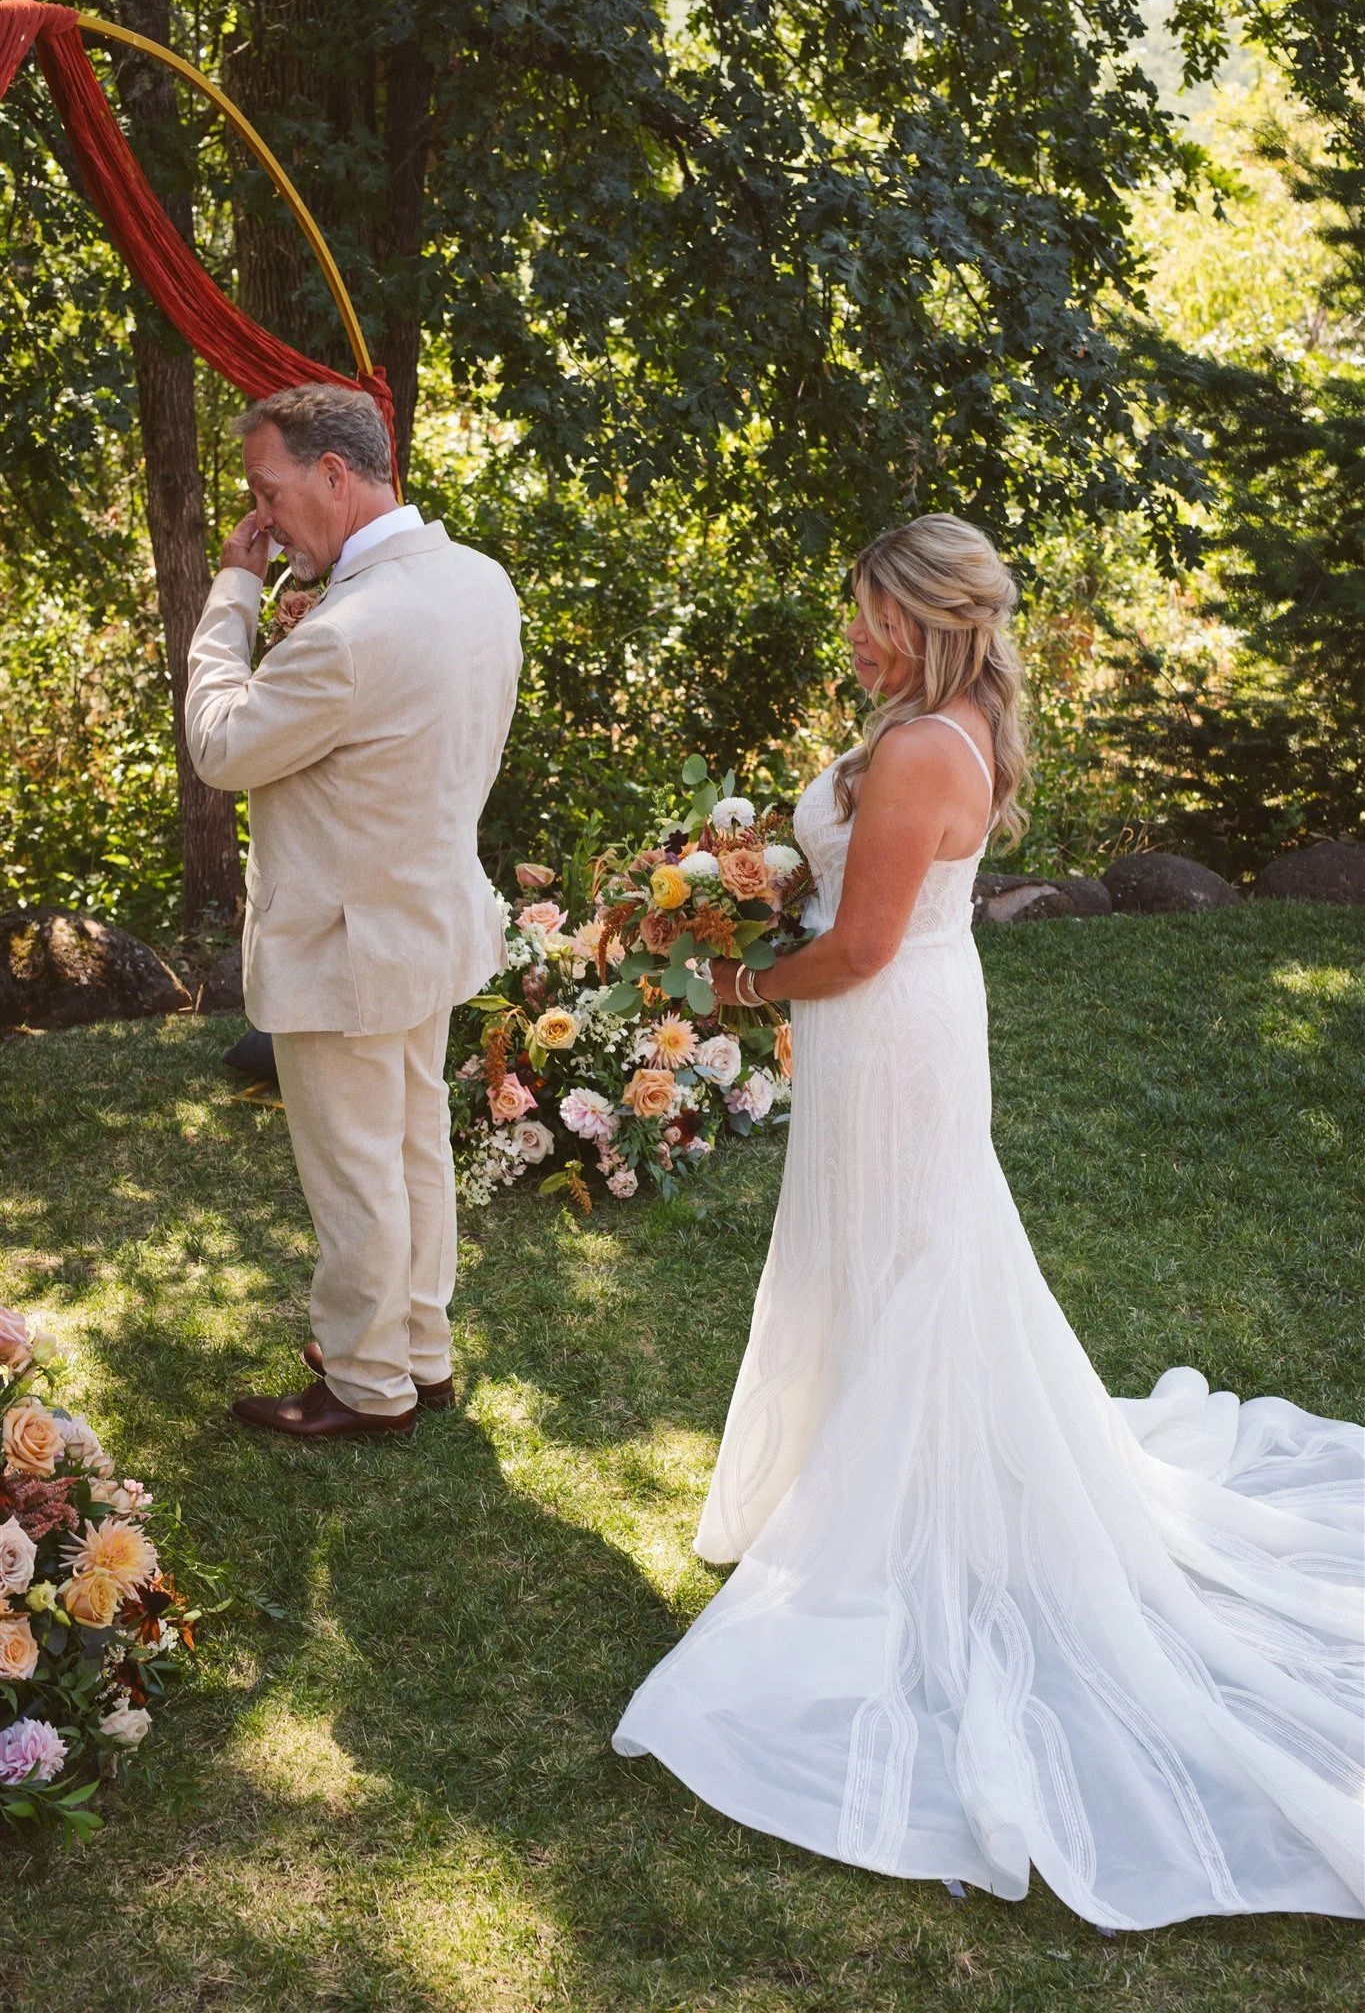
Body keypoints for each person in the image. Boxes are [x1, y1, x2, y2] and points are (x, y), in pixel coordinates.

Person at [613, 514, 1363, 1929]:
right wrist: (740, 891)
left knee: (910, 1261)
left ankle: (903, 1507)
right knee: (884, 1252)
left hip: (889, 1024)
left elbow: (859, 947)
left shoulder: (918, 748)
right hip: (895, 1026)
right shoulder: (931, 728)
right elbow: (852, 899)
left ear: (925, 619)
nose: (851, 634)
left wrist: (732, 992)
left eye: (869, 613)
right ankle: (853, 1470)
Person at [185, 384, 520, 1440]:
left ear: (334, 474)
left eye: (268, 491)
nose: (262, 518)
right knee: (413, 1144)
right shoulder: (478, 580)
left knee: (356, 1170)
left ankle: (368, 1384)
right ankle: (420, 1351)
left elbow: (221, 746)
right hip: (429, 919)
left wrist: (234, 595)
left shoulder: (351, 630)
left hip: (346, 941)